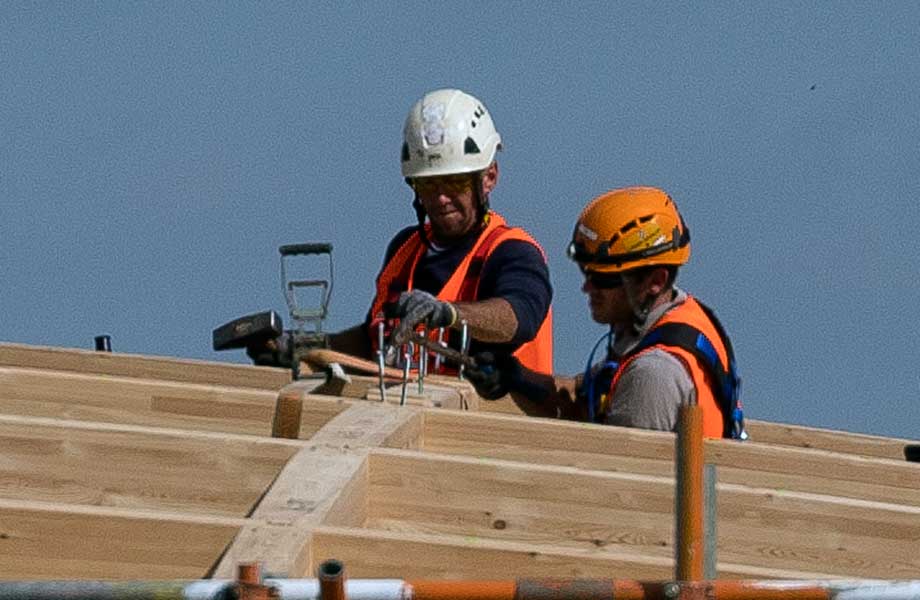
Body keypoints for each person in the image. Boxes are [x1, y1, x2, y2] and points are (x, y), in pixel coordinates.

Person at [466, 186, 746, 439]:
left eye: (604, 279)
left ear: (656, 281)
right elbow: (583, 395)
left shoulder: (653, 374)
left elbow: (619, 475)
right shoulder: (669, 318)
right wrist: (517, 377)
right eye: (587, 273)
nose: (587, 287)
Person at [327, 88, 554, 384]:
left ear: (489, 178)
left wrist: (450, 314)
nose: (441, 198)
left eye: (455, 182)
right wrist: (309, 347)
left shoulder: (511, 251)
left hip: (488, 413)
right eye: (428, 184)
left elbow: (518, 317)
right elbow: (376, 339)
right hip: (406, 408)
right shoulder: (404, 249)